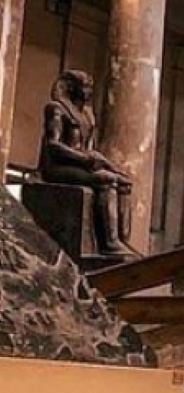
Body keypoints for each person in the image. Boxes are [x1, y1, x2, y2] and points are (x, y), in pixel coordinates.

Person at [38, 69, 134, 254]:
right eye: (84, 87)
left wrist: (103, 161)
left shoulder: (88, 115)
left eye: (90, 87)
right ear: (71, 88)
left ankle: (122, 240)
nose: (88, 91)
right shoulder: (56, 108)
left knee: (124, 182)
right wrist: (83, 158)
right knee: (106, 179)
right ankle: (109, 242)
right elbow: (53, 145)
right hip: (58, 166)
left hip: (79, 164)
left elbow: (88, 148)